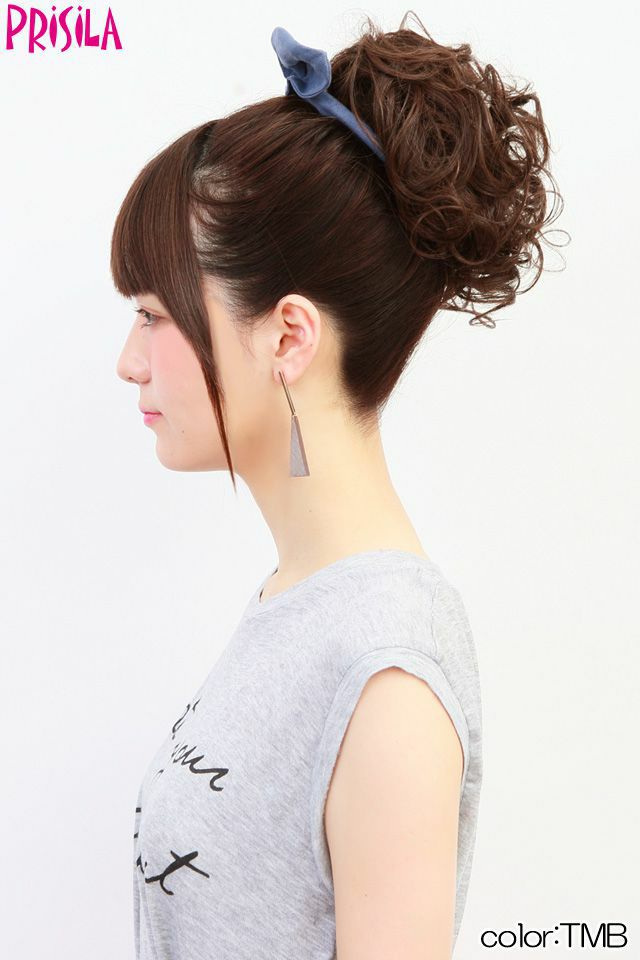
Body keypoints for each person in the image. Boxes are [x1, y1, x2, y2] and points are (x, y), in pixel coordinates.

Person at [113, 12, 562, 959]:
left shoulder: (385, 670)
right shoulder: (301, 601)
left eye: (154, 314)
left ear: (288, 336)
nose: (129, 360)